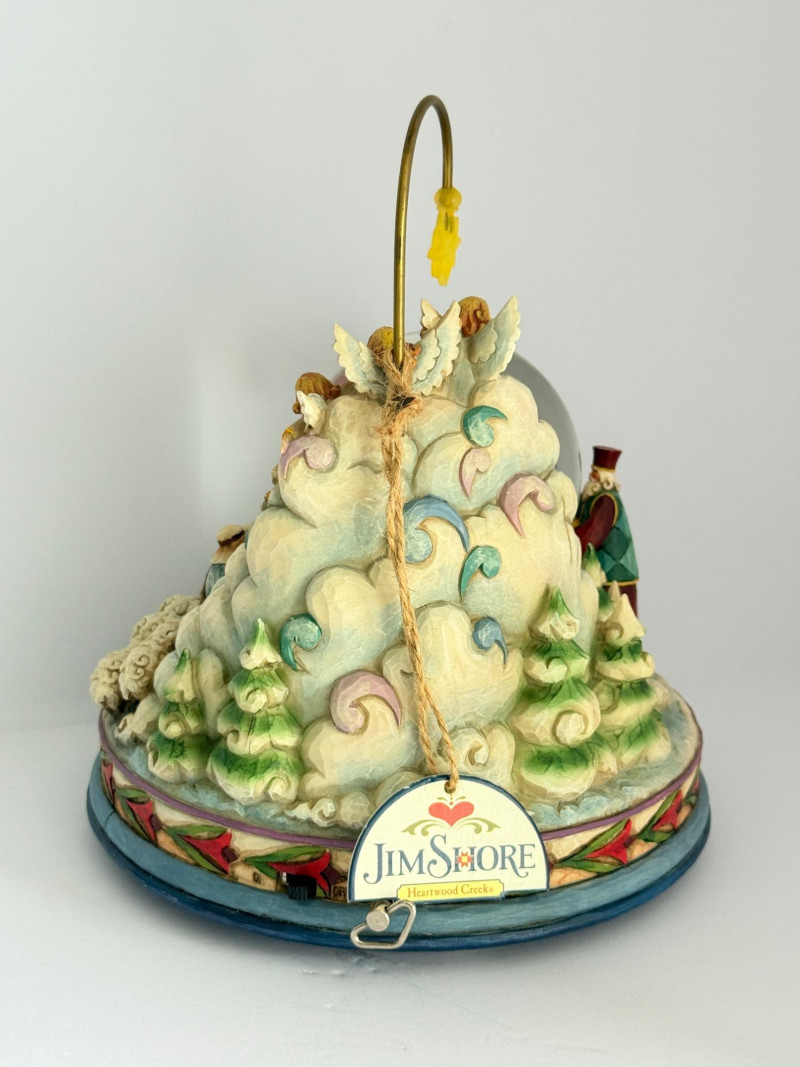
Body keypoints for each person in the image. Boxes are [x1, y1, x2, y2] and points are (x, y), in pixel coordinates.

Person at [574, 447, 639, 614]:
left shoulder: (606, 501)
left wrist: (569, 541)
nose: (591, 476)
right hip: (603, 574)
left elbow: (592, 535)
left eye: (595, 473)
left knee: (615, 616)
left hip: (614, 575)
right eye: (592, 472)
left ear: (604, 478)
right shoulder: (592, 498)